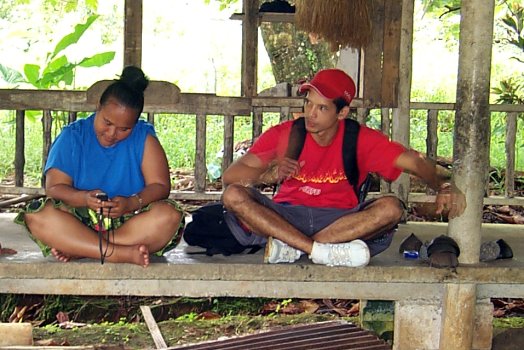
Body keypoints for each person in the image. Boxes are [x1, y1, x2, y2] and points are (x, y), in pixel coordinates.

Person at [221, 68, 465, 267]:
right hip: (286, 215)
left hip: (339, 223)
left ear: (343, 112)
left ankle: (293, 248)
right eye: (308, 104)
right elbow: (231, 177)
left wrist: (444, 185)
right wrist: (269, 175)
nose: (310, 114)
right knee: (232, 195)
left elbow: (415, 162)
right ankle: (315, 250)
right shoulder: (285, 134)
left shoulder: (360, 139)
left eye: (322, 108)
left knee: (392, 208)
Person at [14, 66, 184, 267]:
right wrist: (84, 198)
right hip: (79, 219)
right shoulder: (72, 136)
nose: (112, 133)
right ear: (98, 107)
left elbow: (160, 186)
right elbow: (54, 188)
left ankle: (80, 247)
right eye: (107, 122)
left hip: (129, 221)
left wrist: (131, 203)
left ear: (136, 123)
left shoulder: (144, 138)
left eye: (124, 129)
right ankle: (117, 253)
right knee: (36, 214)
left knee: (170, 216)